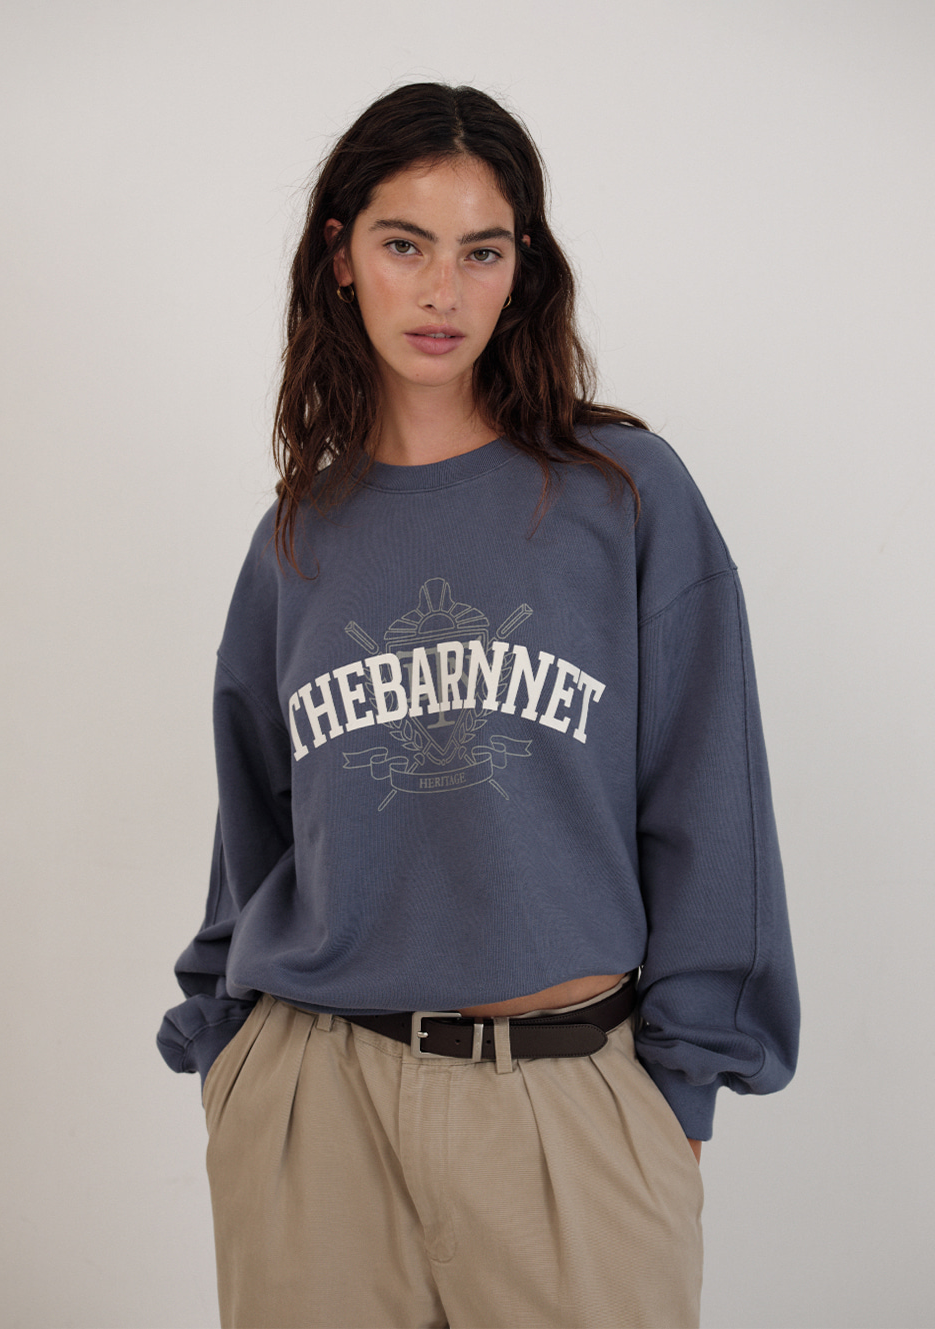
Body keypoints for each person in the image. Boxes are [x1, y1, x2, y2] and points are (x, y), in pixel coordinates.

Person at [157, 82, 799, 1329]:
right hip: (316, 1112)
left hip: (564, 1108)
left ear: (523, 270)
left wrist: (683, 1090)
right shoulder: (296, 540)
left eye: (481, 251)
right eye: (406, 245)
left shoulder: (625, 497)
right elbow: (255, 828)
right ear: (341, 257)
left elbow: (710, 798)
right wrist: (226, 1051)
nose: (442, 291)